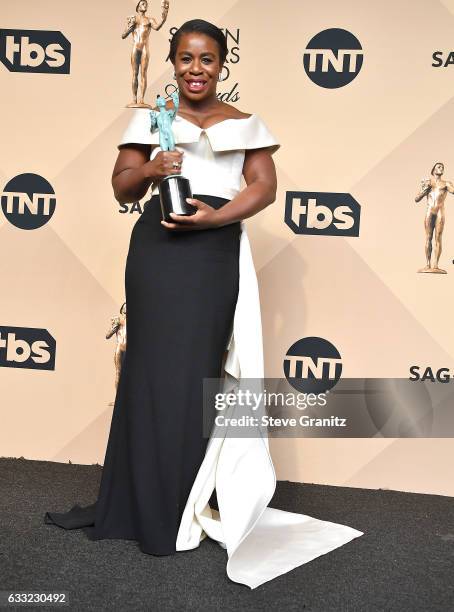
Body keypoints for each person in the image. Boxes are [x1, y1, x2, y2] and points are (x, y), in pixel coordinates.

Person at [44, 19, 364, 589]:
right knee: (147, 371)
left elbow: (263, 187)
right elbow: (122, 186)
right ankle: (134, 503)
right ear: (172, 62)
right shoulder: (152, 120)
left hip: (214, 253)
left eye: (208, 59)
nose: (197, 69)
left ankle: (179, 501)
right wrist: (150, 168)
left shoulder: (245, 124)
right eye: (187, 58)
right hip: (157, 253)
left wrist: (217, 218)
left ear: (222, 65)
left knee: (196, 373)